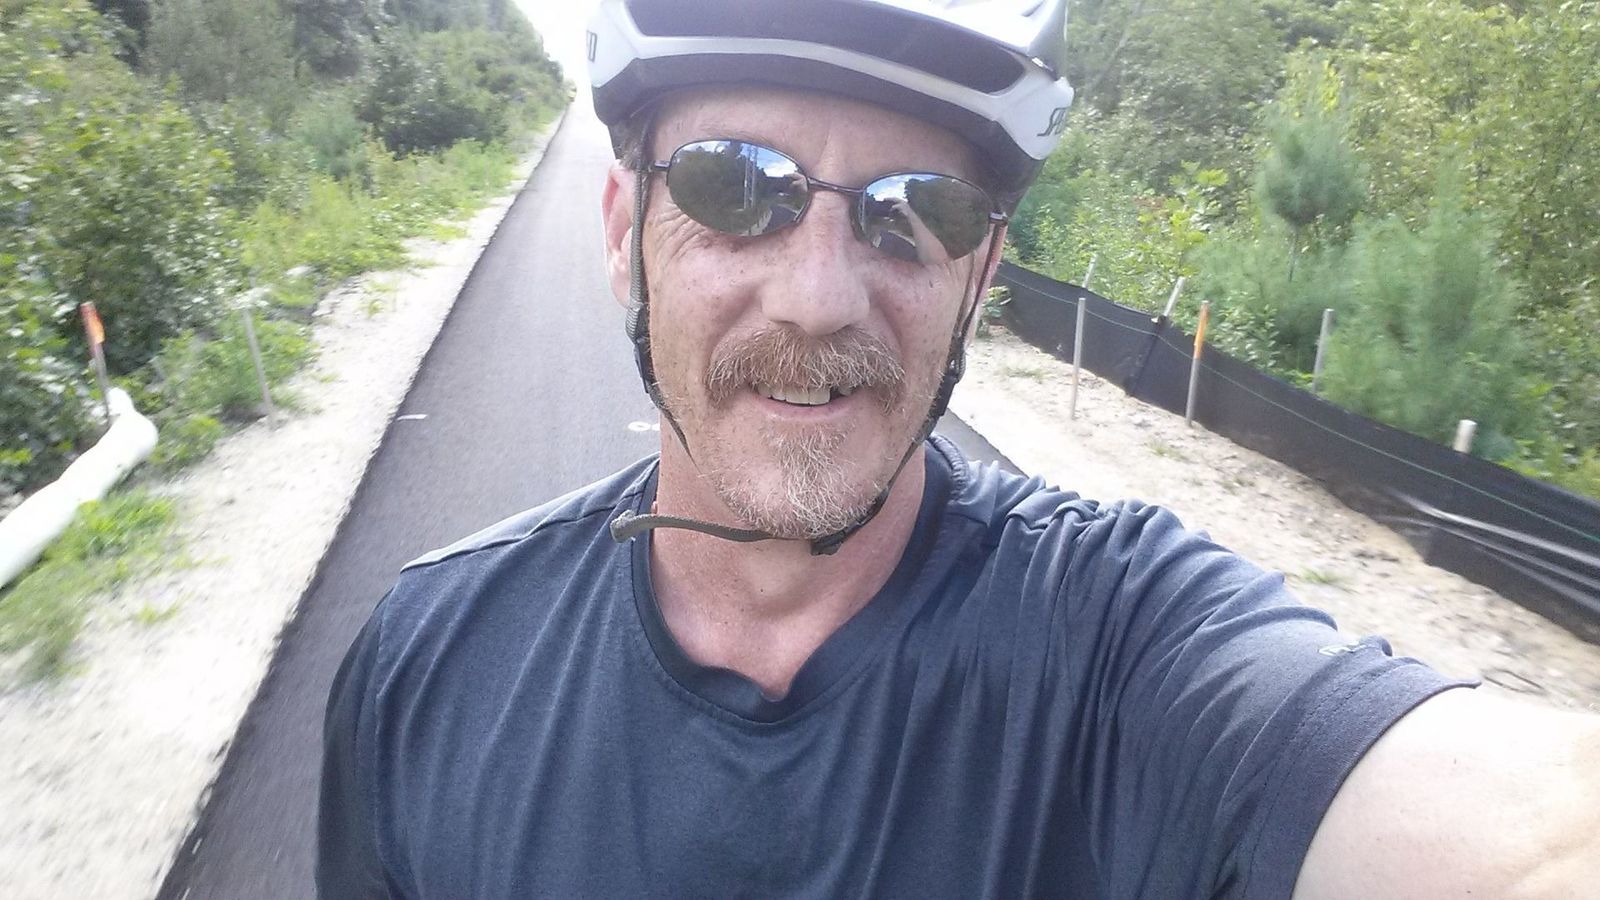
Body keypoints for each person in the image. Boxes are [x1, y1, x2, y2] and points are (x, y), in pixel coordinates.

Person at [317, 1, 1600, 897]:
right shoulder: (428, 664)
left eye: (911, 213)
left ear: (978, 278)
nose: (818, 299)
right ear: (622, 231)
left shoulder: (1121, 642)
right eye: (732, 188)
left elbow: (1521, 839)